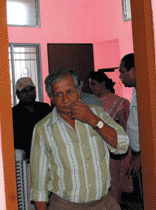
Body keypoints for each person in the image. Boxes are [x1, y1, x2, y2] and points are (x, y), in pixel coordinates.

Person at [31, 67, 129, 210]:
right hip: (65, 206)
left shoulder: (96, 113)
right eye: (59, 94)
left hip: (104, 204)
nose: (65, 99)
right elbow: (39, 186)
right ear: (51, 98)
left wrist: (93, 120)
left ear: (79, 91)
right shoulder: (43, 129)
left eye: (69, 92)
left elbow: (122, 145)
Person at [89, 70, 133, 201]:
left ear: (103, 83)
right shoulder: (90, 102)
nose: (91, 87)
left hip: (112, 146)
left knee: (113, 181)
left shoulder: (117, 101)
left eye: (94, 84)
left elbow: (124, 126)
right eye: (90, 84)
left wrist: (122, 144)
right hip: (95, 147)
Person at [11, 77, 53, 158]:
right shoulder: (13, 114)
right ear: (17, 94)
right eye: (24, 91)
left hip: (48, 156)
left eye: (31, 90)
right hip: (25, 160)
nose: (29, 93)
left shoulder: (45, 108)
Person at [118, 53, 142, 194]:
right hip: (136, 154)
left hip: (143, 155)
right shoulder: (135, 91)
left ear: (133, 70)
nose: (120, 77)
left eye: (122, 72)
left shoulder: (147, 93)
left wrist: (141, 155)